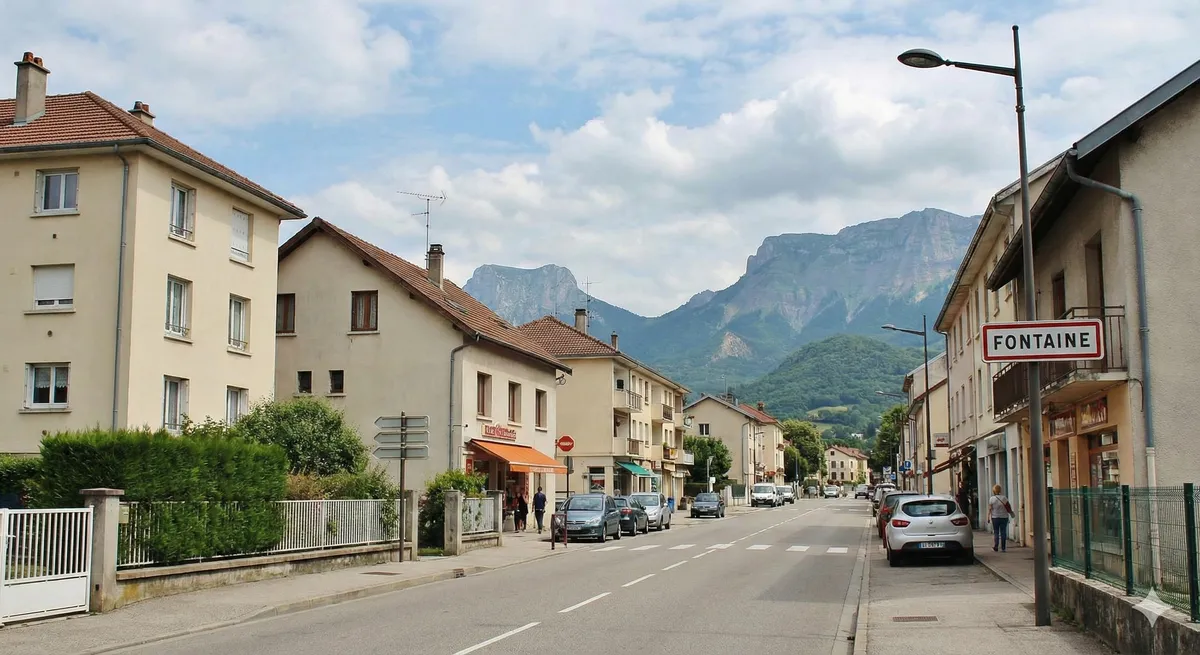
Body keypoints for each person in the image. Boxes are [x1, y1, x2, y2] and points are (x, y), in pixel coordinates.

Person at [987, 484, 1014, 552]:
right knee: (1003, 532)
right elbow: (1009, 507)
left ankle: (996, 547)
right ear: (1000, 490)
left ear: (994, 491)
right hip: (1004, 517)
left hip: (995, 517)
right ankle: (1003, 548)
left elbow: (990, 509)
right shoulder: (1004, 498)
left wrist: (988, 517)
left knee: (996, 532)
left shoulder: (991, 499)